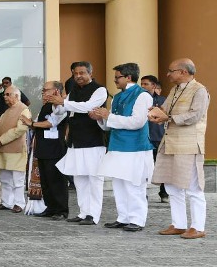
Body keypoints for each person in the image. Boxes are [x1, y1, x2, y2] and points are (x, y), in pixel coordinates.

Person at [149, 58, 210, 239]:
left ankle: (198, 227)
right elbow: (165, 110)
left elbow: (195, 116)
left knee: (193, 187)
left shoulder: (199, 90)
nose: (168, 74)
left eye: (171, 71)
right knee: (171, 186)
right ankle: (179, 224)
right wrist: (155, 112)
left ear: (183, 72)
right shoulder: (175, 89)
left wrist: (168, 118)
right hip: (170, 143)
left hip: (189, 145)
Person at [90, 63, 154, 232]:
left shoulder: (142, 95)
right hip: (117, 146)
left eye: (117, 77)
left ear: (128, 77)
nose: (115, 80)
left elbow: (137, 122)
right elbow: (109, 125)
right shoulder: (117, 97)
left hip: (135, 147)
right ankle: (123, 217)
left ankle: (137, 220)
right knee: (118, 184)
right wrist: (100, 118)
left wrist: (108, 116)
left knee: (134, 185)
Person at [49, 61, 107, 225]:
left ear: (90, 73)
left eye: (82, 73)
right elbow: (61, 111)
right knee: (79, 178)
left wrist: (64, 102)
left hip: (93, 140)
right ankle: (83, 212)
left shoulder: (100, 89)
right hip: (75, 140)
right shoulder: (73, 90)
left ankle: (93, 215)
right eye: (75, 74)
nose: (78, 76)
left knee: (94, 179)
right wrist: (56, 102)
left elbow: (88, 107)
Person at [20, 81, 69, 221]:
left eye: (46, 90)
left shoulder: (62, 106)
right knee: (46, 181)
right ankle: (50, 207)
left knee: (56, 180)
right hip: (42, 148)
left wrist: (31, 123)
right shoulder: (45, 106)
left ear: (56, 91)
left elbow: (51, 123)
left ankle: (61, 210)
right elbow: (36, 123)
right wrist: (29, 123)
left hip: (55, 149)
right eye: (42, 90)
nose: (43, 93)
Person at [0, 86, 31, 213]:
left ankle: (19, 203)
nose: (5, 97)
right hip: (3, 149)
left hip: (16, 150)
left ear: (17, 96)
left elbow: (20, 129)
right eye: (4, 94)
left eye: (8, 94)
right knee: (4, 178)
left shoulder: (24, 110)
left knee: (17, 179)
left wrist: (1, 140)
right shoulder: (6, 111)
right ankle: (6, 202)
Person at [141, 74, 168, 202]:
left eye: (146, 84)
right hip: (143, 138)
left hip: (159, 138)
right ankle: (142, 194)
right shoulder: (138, 99)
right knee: (142, 168)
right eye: (141, 84)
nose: (143, 86)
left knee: (162, 167)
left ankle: (164, 193)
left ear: (154, 86)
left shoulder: (163, 100)